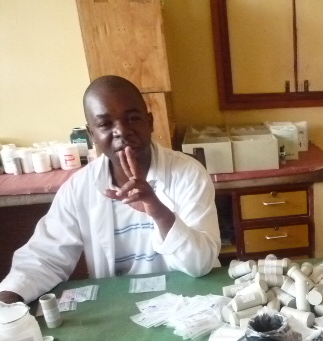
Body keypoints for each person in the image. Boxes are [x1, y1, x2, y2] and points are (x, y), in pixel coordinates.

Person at [0, 75, 221, 304]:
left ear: (150, 122)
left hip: (184, 300)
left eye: (132, 118)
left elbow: (201, 264)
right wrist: (8, 299)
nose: (121, 131)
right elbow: (45, 257)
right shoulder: (79, 187)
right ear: (91, 135)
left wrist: (158, 211)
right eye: (105, 124)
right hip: (119, 304)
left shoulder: (188, 173)